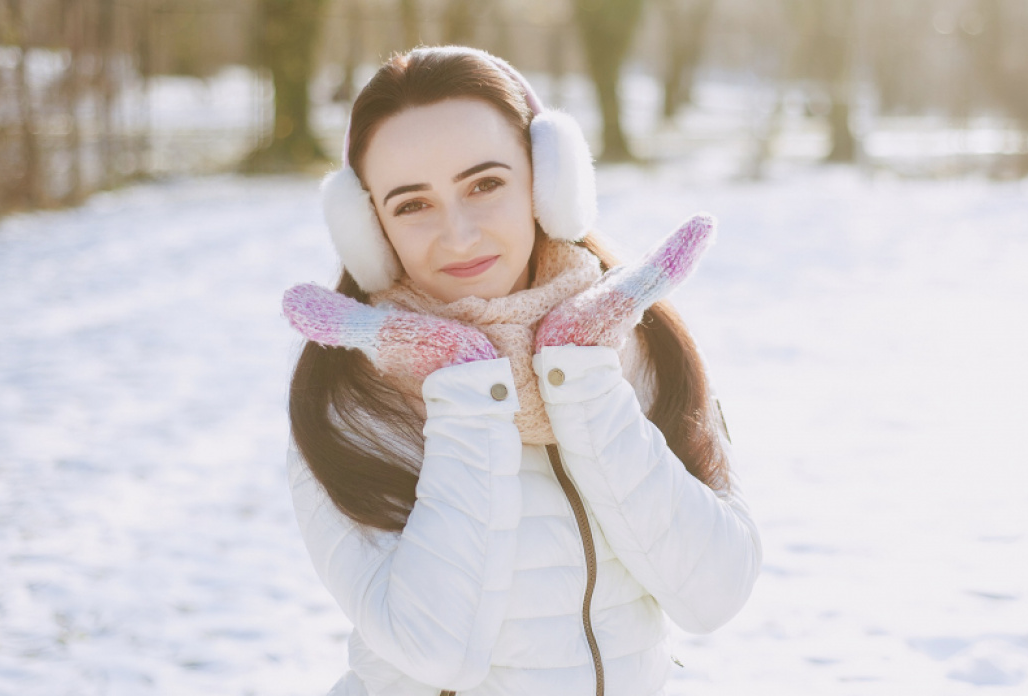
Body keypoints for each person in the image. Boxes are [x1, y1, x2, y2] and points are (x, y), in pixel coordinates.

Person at [281, 45, 761, 696]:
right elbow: (434, 650)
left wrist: (583, 377)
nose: (459, 235)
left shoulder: (635, 346)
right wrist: (463, 383)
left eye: (485, 184)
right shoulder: (349, 400)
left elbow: (715, 594)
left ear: (549, 181)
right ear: (369, 230)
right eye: (411, 204)